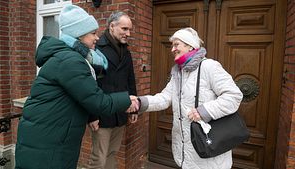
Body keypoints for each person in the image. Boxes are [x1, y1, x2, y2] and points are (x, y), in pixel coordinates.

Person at [15, 5, 138, 169]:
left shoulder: (77, 57)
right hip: (49, 141)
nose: (96, 37)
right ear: (78, 34)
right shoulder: (70, 60)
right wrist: (127, 100)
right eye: (93, 33)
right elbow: (95, 99)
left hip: (53, 135)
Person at [135, 27, 243, 169]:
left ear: (190, 45)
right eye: (172, 45)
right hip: (186, 150)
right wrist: (139, 102)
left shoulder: (209, 67)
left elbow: (234, 96)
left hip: (209, 151)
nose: (172, 49)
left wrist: (204, 111)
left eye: (176, 44)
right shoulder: (178, 73)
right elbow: (165, 98)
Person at [87, 12, 138, 169]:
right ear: (112, 26)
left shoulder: (126, 51)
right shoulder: (95, 49)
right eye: (124, 29)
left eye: (129, 30)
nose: (128, 33)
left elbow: (130, 80)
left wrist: (134, 108)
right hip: (102, 114)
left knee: (112, 153)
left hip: (120, 112)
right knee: (99, 159)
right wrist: (92, 115)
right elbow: (89, 85)